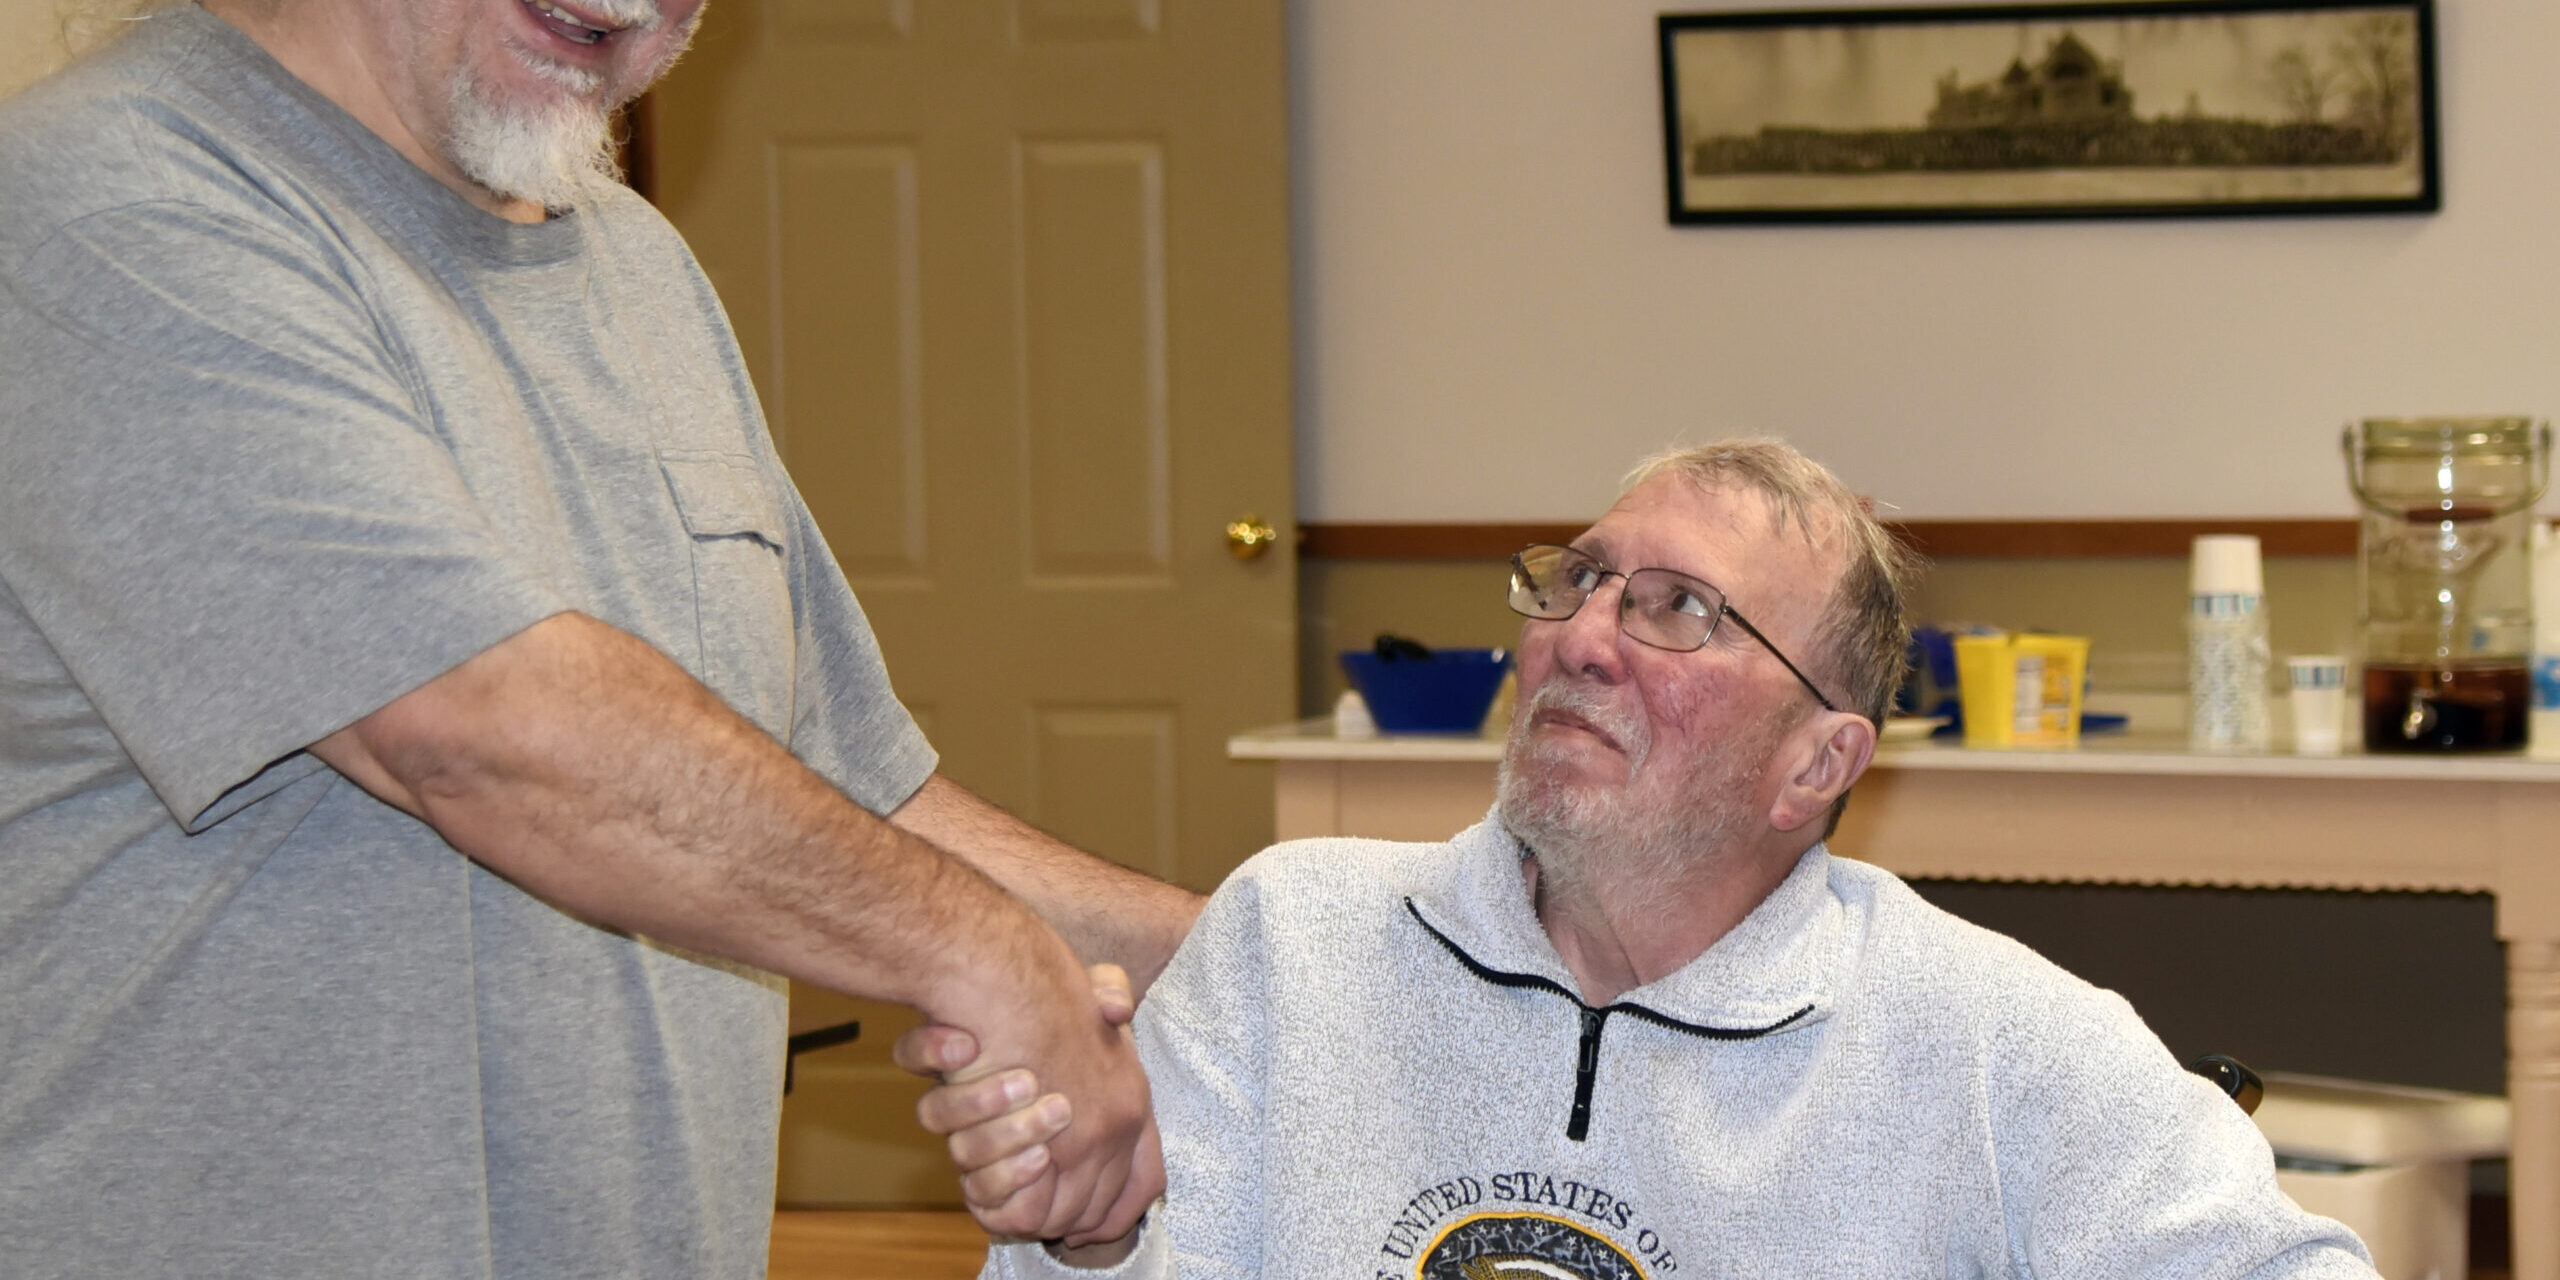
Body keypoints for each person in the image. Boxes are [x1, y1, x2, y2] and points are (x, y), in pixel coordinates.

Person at [0, 0, 1193, 1274]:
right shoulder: (104, 200)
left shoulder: (634, 262)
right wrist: (976, 948)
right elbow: (479, 732)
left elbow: (839, 801)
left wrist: (1285, 955)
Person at [905, 440, 2380, 1278]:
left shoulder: (1985, 1039)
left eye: (1680, 609)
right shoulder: (1291, 939)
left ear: (1819, 763)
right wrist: (1091, 1242)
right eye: (1580, 578)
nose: (1583, 635)